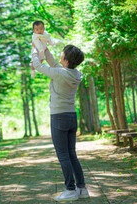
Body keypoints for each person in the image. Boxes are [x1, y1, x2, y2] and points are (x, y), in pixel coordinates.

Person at [31, 44, 89, 202]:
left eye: (62, 54)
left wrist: (35, 50)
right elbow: (54, 64)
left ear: (66, 59)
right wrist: (44, 48)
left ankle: (70, 189)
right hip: (71, 116)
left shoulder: (59, 73)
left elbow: (38, 66)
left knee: (63, 155)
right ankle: (82, 188)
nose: (60, 55)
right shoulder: (76, 73)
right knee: (72, 154)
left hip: (58, 117)